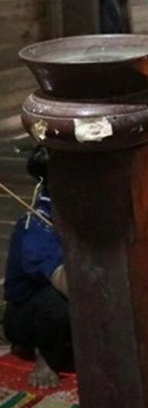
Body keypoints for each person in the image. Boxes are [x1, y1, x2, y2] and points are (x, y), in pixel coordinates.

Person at [3, 146, 71, 389]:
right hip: (27, 317)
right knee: (60, 303)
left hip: (54, 304)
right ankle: (45, 355)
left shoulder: (73, 209)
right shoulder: (36, 227)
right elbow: (69, 286)